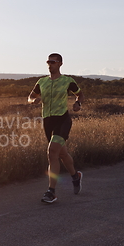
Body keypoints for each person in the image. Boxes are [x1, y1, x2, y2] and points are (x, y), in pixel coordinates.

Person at [28, 53, 84, 203]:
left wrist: (78, 103)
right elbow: (30, 96)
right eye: (48, 61)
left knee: (52, 152)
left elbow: (79, 94)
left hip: (62, 119)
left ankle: (51, 192)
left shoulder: (67, 81)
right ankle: (75, 176)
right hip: (48, 121)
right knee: (61, 154)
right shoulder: (42, 82)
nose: (49, 64)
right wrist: (34, 100)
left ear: (60, 64)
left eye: (53, 62)